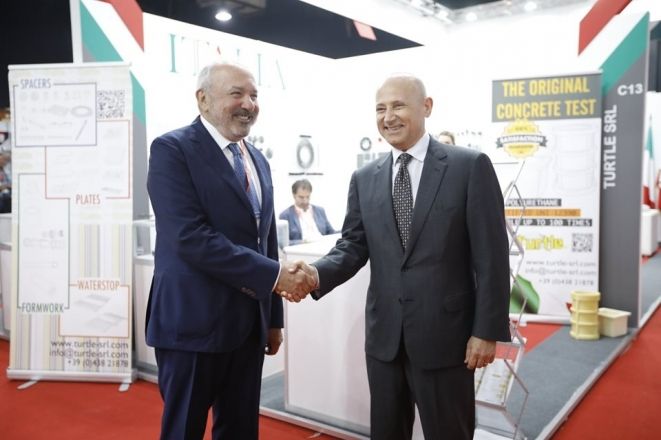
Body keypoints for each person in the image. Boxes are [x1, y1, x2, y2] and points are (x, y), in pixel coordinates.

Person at [286, 74, 511, 439]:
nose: (388, 117)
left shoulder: (469, 167)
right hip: (385, 340)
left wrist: (486, 331)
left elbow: (493, 257)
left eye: (398, 106)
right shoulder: (365, 178)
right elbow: (352, 246)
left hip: (447, 339)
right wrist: (314, 273)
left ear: (426, 107)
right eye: (380, 109)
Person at [145, 62, 314, 440]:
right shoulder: (172, 150)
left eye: (254, 95)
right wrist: (275, 278)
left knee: (240, 430)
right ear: (203, 99)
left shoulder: (258, 159)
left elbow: (265, 240)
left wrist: (272, 319)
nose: (248, 104)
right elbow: (189, 236)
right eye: (236, 94)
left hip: (247, 330)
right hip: (191, 327)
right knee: (183, 430)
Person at [279, 179, 336, 244]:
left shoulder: (320, 211)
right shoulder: (286, 215)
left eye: (308, 197)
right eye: (301, 197)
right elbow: (284, 242)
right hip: (301, 248)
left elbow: (331, 233)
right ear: (294, 195)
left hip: (322, 245)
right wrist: (303, 242)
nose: (305, 201)